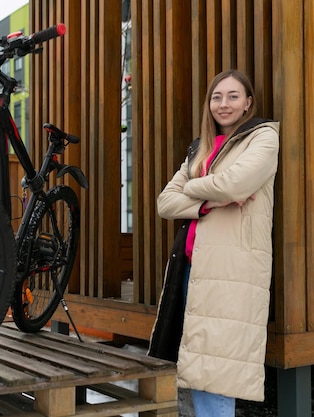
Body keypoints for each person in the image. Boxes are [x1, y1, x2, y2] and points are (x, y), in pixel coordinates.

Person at [149, 69, 280, 417]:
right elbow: (165, 202)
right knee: (193, 364)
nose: (224, 104)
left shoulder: (263, 137)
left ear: (248, 102)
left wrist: (191, 188)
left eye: (233, 96)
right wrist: (207, 200)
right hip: (192, 266)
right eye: (217, 97)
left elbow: (235, 185)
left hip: (231, 269)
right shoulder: (200, 148)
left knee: (216, 372)